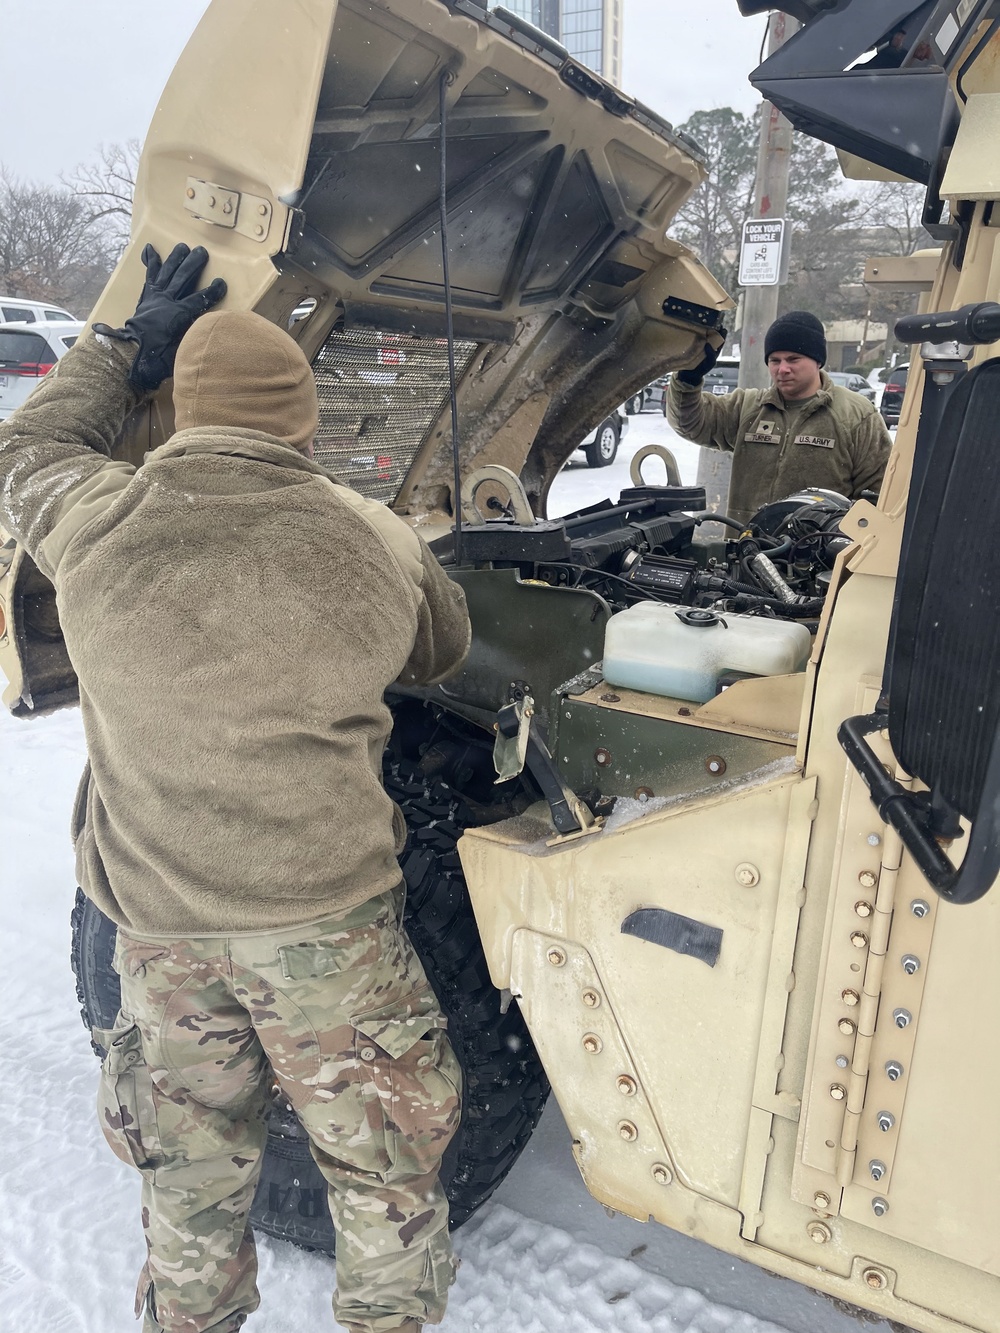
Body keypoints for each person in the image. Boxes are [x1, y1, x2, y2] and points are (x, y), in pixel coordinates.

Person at [0, 243, 472, 1333]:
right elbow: (441, 656)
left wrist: (122, 350)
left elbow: (27, 444)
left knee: (189, 1188)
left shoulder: (93, 519)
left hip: (161, 937)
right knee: (384, 1182)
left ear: (178, 410)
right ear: (302, 419)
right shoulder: (372, 538)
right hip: (329, 941)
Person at [666, 310, 891, 526]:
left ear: (818, 361)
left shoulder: (856, 415)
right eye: (775, 360)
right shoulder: (748, 407)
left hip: (817, 558)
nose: (782, 369)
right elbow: (690, 423)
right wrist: (688, 379)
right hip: (744, 553)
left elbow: (878, 494)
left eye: (793, 359)